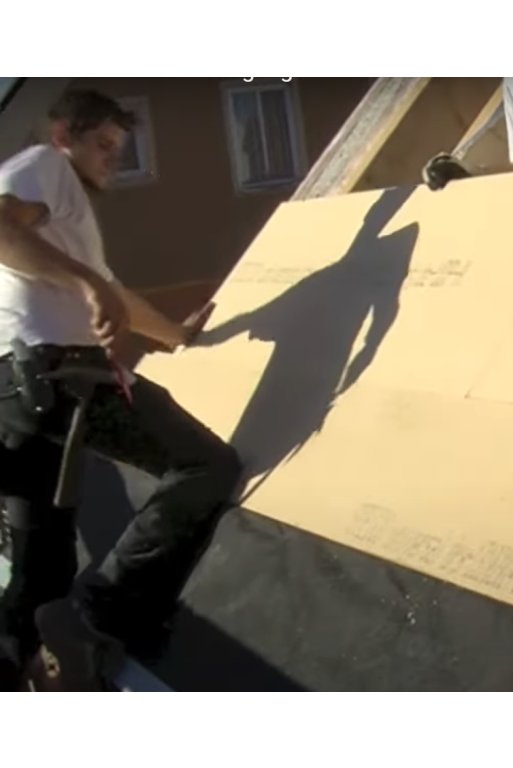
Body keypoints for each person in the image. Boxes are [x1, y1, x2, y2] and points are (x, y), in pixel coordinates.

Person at [0, 89, 241, 690]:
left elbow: (117, 294)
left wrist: (177, 334)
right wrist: (88, 286)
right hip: (63, 377)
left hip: (24, 392)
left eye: (119, 149)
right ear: (65, 136)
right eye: (104, 145)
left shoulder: (65, 219)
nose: (113, 159)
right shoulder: (44, 166)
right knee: (205, 465)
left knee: (41, 571)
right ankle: (96, 616)